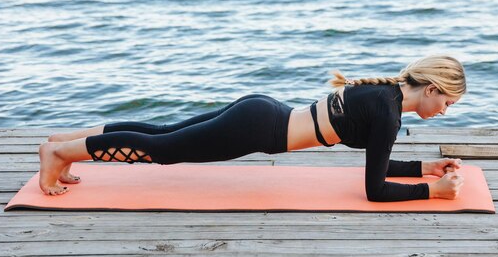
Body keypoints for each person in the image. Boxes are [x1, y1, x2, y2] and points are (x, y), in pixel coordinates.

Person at [39, 54, 466, 201]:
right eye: (447, 102)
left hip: (263, 112)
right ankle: (60, 154)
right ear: (430, 89)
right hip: (259, 128)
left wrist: (426, 167)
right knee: (164, 149)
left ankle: (68, 142)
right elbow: (375, 190)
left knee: (163, 131)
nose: (445, 111)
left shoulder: (384, 96)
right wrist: (434, 192)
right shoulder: (389, 113)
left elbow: (381, 160)